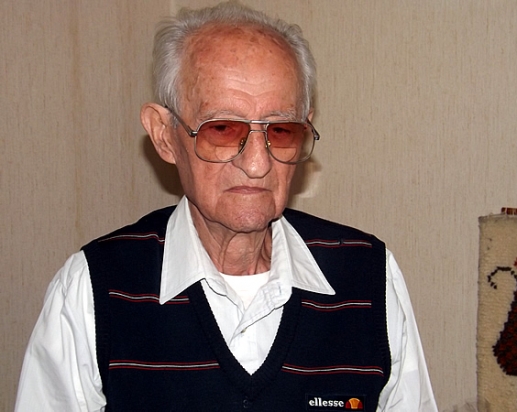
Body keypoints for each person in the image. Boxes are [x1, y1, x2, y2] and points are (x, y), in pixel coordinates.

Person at [15, 2, 437, 411]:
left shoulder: (368, 279)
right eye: (221, 128)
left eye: (281, 130)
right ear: (164, 135)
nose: (257, 164)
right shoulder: (95, 290)